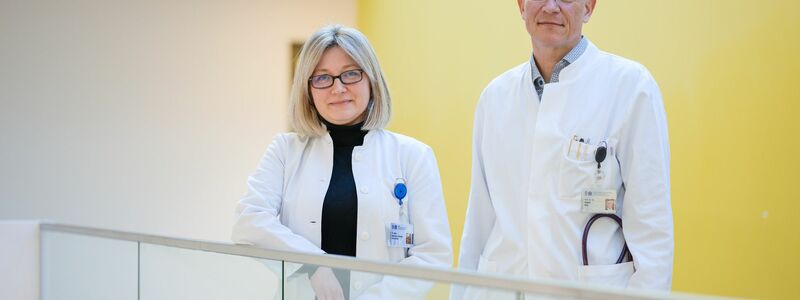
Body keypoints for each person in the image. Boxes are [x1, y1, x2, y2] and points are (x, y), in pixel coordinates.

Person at [454, 0, 673, 297]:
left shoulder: (632, 88)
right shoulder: (495, 98)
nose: (551, 7)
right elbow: (478, 222)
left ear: (589, 7)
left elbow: (652, 231)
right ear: (521, 5)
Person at [232, 25, 452, 300]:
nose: (338, 88)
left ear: (371, 79)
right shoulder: (285, 151)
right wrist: (314, 263)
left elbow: (432, 254)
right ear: (308, 89)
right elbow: (249, 221)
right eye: (322, 78)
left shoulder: (412, 156)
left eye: (350, 73)